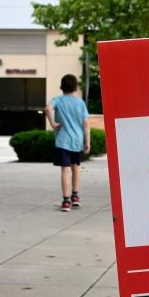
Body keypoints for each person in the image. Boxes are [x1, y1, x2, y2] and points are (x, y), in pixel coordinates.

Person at [46, 74, 90, 212]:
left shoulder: (57, 100)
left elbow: (47, 108)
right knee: (76, 168)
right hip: (77, 142)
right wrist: (87, 141)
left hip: (63, 142)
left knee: (66, 170)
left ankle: (66, 202)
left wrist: (53, 124)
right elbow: (86, 123)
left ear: (61, 86)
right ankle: (75, 197)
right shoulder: (80, 103)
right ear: (76, 87)